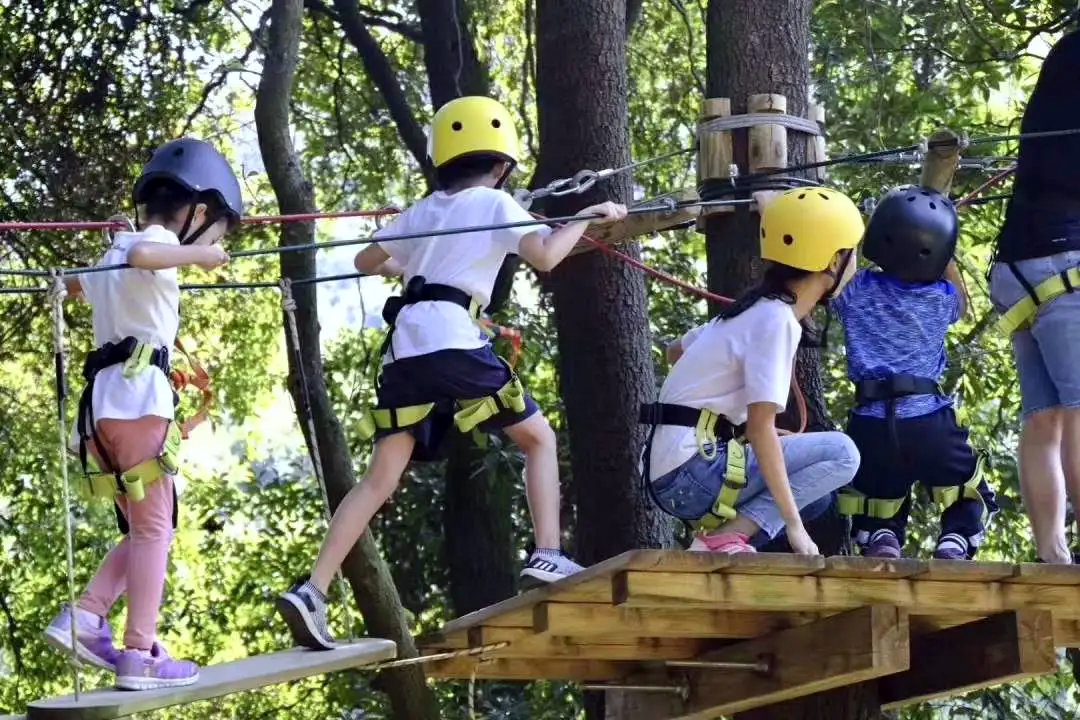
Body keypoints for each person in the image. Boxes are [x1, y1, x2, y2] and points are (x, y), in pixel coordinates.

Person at [276, 96, 626, 649]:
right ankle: (548, 553)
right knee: (538, 439)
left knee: (379, 479)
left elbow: (366, 261)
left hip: (405, 351)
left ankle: (313, 591)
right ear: (502, 164)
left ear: (442, 161)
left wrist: (413, 262)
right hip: (451, 342)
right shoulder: (496, 201)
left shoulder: (422, 211)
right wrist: (584, 217)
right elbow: (545, 257)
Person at [42, 138, 240, 689]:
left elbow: (78, 286)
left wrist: (115, 249)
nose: (218, 244)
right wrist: (199, 254)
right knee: (156, 531)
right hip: (139, 404)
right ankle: (138, 653)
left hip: (103, 413)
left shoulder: (119, 249)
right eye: (218, 230)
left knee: (146, 528)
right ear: (199, 213)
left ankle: (87, 615)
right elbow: (146, 255)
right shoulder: (148, 244)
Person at [641, 187, 862, 555]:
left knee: (816, 499)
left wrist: (726, 417)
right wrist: (794, 528)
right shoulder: (776, 321)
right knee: (842, 454)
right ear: (834, 261)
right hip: (693, 474)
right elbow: (760, 429)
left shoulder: (749, 310)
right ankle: (726, 537)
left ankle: (724, 537)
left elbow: (675, 352)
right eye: (854, 254)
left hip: (670, 469)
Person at [834, 186, 998, 560]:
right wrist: (945, 245)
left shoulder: (858, 291)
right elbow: (964, 304)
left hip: (870, 420)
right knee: (964, 483)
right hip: (927, 419)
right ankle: (956, 538)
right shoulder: (941, 297)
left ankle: (881, 537)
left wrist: (856, 231)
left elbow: (843, 276)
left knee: (876, 490)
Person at [989, 29, 1080, 564]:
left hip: (1016, 269)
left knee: (1045, 418)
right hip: (1063, 263)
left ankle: (1052, 551)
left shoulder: (1065, 56)